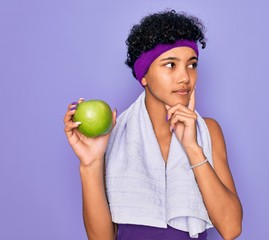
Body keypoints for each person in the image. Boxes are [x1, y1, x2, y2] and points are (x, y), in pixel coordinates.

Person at [64, 10, 243, 240]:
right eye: (170, 65)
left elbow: (231, 228)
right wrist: (90, 164)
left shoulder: (208, 131)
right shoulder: (112, 135)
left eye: (192, 64)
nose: (185, 77)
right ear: (144, 75)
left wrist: (191, 147)